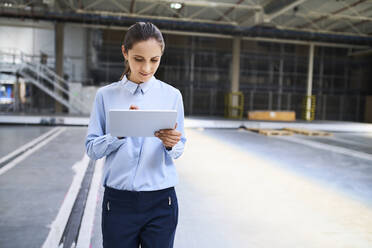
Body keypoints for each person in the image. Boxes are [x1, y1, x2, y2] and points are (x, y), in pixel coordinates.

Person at [85, 22, 186, 248]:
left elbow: (180, 148)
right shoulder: (106, 96)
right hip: (119, 203)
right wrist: (117, 134)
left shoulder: (172, 95)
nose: (147, 68)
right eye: (139, 59)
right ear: (125, 52)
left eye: (154, 60)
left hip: (162, 202)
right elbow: (92, 149)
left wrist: (171, 144)